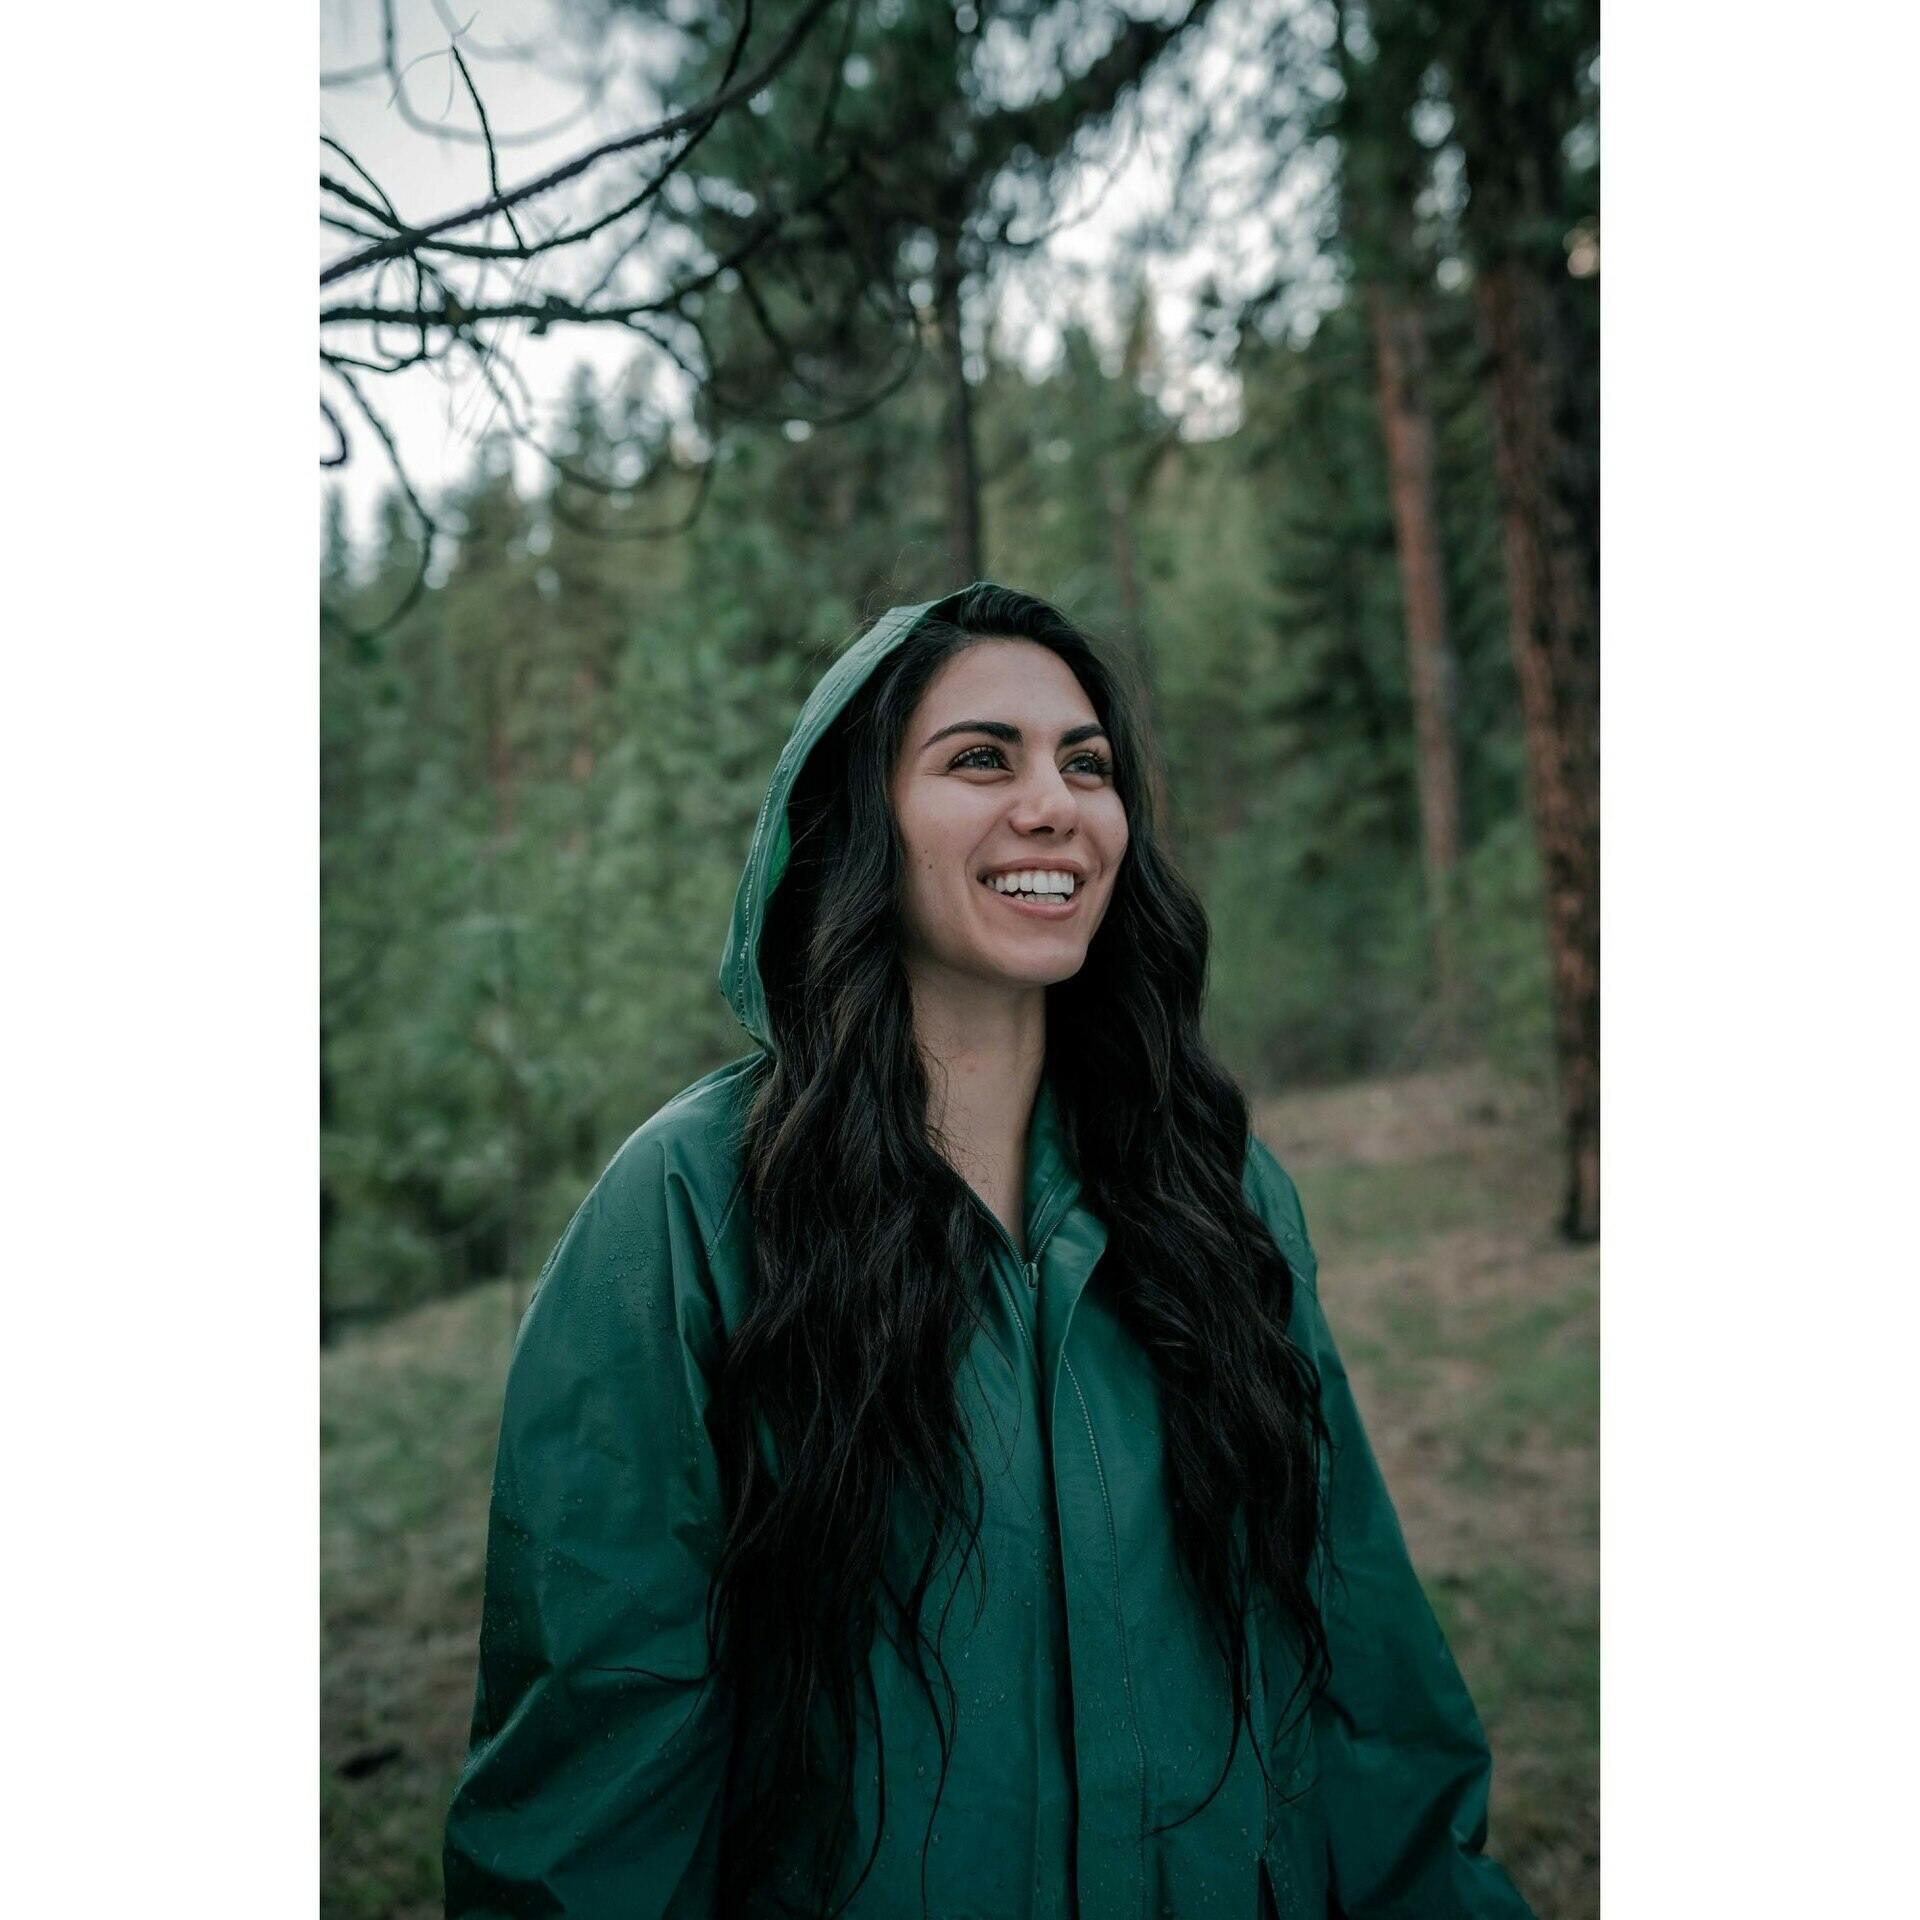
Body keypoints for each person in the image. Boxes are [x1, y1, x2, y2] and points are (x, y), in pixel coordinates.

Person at [442, 583, 1533, 1919]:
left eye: (1088, 764)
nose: (1054, 804)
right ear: (859, 821)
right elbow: (601, 1753)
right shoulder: (690, 1205)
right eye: (980, 759)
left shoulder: (1212, 1188)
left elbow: (1361, 1660)